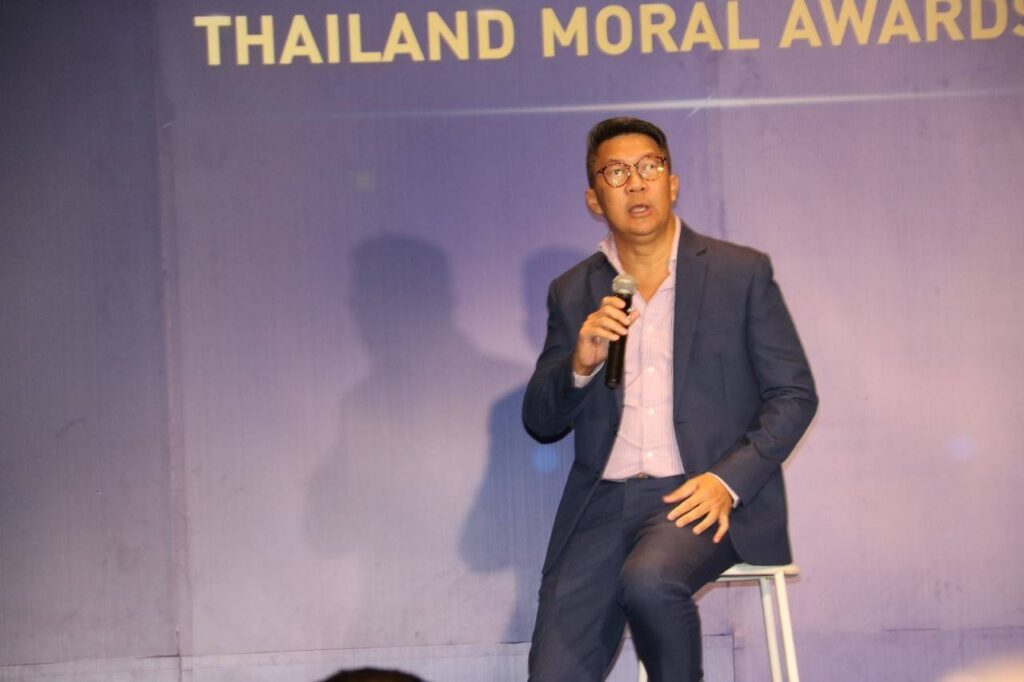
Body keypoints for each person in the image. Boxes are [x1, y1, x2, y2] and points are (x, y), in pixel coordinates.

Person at [522, 117, 818, 681]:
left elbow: (793, 394)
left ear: (672, 183)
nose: (636, 183)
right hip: (601, 504)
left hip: (696, 493)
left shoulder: (739, 273)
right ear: (593, 198)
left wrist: (726, 480)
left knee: (650, 581)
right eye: (616, 172)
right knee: (552, 673)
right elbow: (541, 420)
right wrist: (580, 364)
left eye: (649, 167)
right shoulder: (573, 290)